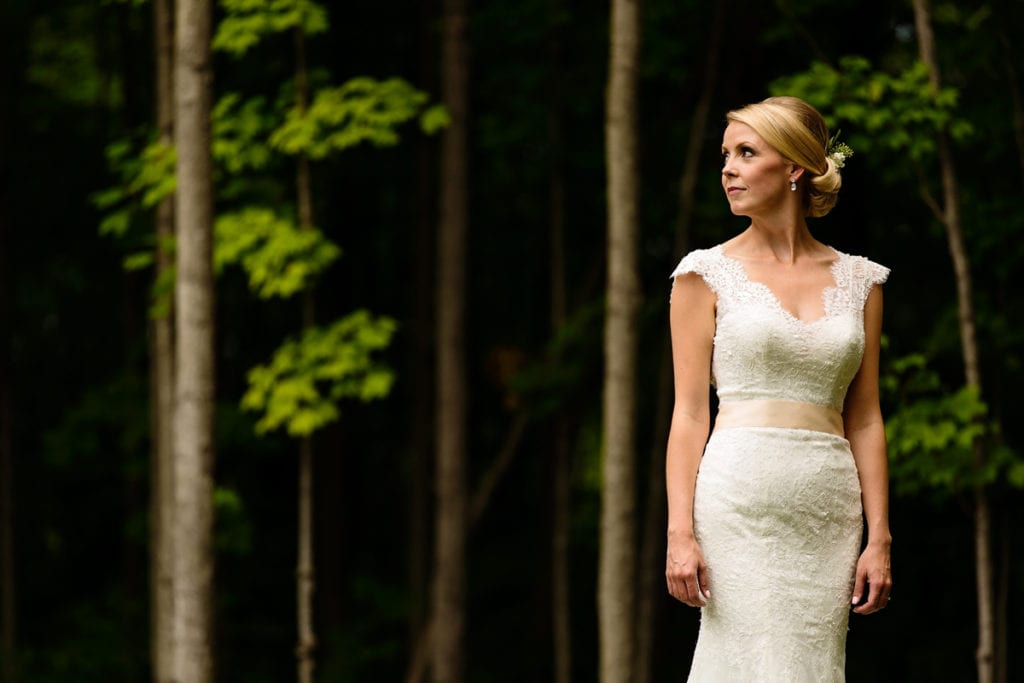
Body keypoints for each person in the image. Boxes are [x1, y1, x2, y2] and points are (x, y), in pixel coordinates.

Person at [664, 95, 893, 681]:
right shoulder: (701, 275)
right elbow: (690, 414)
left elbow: (865, 418)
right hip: (737, 503)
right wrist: (680, 533)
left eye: (746, 153)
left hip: (827, 511)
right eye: (725, 155)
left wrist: (879, 536)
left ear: (794, 167)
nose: (728, 169)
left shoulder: (862, 282)